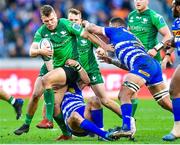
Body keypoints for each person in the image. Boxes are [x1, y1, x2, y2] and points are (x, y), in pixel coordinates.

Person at [14, 5, 110, 136]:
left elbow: (86, 34)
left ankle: (47, 120)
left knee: (46, 80)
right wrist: (40, 51)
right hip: (52, 65)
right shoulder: (41, 31)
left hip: (69, 67)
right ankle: (27, 124)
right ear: (42, 20)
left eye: (52, 19)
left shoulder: (66, 24)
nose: (50, 23)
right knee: (36, 95)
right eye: (46, 21)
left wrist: (103, 45)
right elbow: (31, 51)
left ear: (56, 16)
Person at [83, 17, 173, 139]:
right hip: (152, 65)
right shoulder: (132, 38)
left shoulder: (115, 30)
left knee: (124, 95)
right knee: (165, 102)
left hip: (143, 64)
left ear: (113, 26)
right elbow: (130, 67)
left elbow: (91, 28)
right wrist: (111, 61)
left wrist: (85, 23)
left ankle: (127, 127)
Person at [127, 0, 172, 117]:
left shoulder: (154, 16)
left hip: (149, 62)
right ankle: (129, 125)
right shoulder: (131, 16)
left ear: (147, 1)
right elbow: (129, 35)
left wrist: (155, 49)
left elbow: (168, 35)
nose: (138, 1)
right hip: (136, 60)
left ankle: (129, 125)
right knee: (163, 101)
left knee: (128, 92)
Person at [161, 0, 180, 141]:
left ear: (178, 7)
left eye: (173, 6)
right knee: (174, 90)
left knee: (174, 90)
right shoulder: (177, 23)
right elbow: (176, 40)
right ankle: (178, 129)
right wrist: (167, 54)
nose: (171, 8)